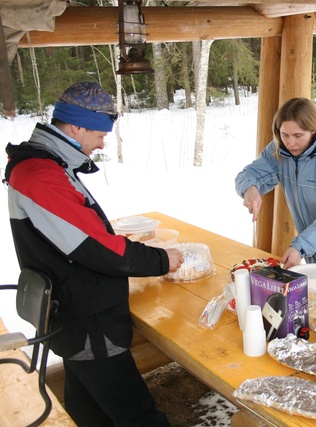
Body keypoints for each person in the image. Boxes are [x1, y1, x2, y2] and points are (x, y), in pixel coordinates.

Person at [4, 82, 184, 427]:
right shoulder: (39, 173)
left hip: (72, 309)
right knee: (138, 415)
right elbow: (95, 247)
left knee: (88, 410)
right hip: (86, 317)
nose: (103, 143)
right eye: (100, 133)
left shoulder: (47, 163)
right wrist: (161, 259)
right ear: (76, 127)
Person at [235, 97, 316, 276]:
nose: (290, 143)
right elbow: (249, 174)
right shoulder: (279, 150)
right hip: (313, 252)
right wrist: (250, 188)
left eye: (298, 136)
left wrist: (300, 247)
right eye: (285, 135)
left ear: (313, 130)